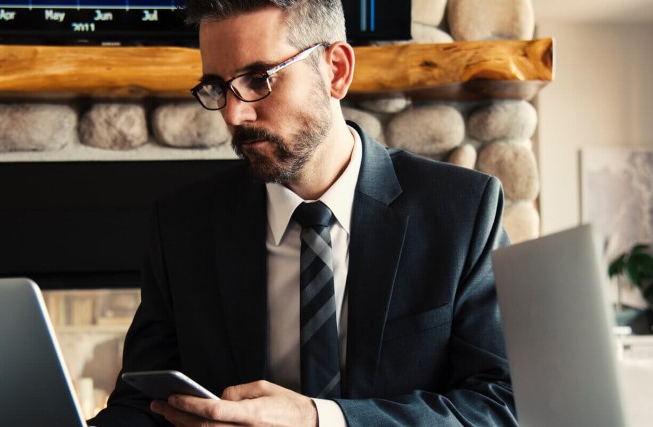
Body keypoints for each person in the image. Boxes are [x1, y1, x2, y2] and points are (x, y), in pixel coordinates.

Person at [89, 0, 516, 425]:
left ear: (336, 70)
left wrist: (318, 419)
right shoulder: (182, 226)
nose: (234, 113)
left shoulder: (462, 212)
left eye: (258, 79)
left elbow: (500, 405)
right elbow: (139, 405)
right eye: (218, 87)